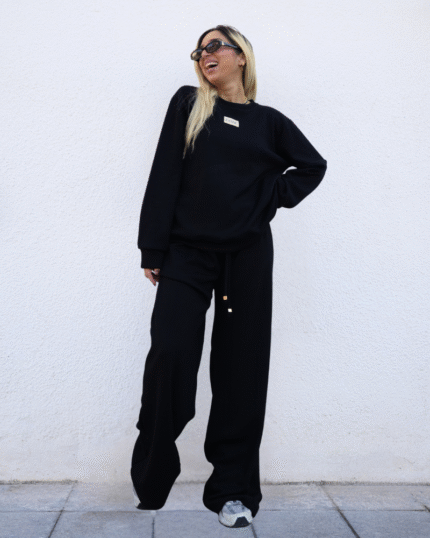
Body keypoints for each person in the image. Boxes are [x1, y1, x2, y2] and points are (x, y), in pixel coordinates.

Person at [130, 24, 327, 529]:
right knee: (171, 352)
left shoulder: (269, 123)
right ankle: (153, 474)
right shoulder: (189, 104)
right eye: (200, 50)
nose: (205, 54)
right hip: (187, 253)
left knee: (242, 369)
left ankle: (233, 492)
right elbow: (164, 172)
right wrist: (153, 246)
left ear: (242, 56)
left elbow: (312, 166)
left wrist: (268, 199)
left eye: (215, 45)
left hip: (247, 255)